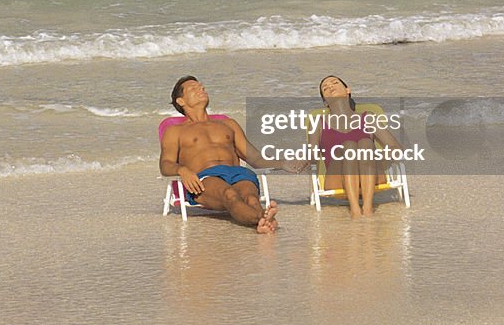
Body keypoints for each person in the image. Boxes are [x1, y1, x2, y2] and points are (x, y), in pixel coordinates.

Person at [160, 76, 286, 233]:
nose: (201, 89)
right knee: (230, 194)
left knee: (252, 199)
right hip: (205, 178)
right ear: (181, 101)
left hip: (237, 173)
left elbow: (255, 158)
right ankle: (263, 218)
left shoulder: (228, 124)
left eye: (202, 87)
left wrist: (283, 163)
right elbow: (165, 164)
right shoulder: (175, 131)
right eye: (194, 88)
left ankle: (262, 220)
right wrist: (182, 170)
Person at [316, 75, 402, 219]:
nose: (331, 87)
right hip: (337, 180)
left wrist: (375, 157)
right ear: (325, 102)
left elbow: (396, 148)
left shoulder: (368, 118)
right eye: (325, 88)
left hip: (372, 175)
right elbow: (311, 156)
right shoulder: (319, 123)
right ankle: (355, 210)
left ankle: (367, 208)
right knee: (349, 146)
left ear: (348, 90)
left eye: (335, 83)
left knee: (365, 143)